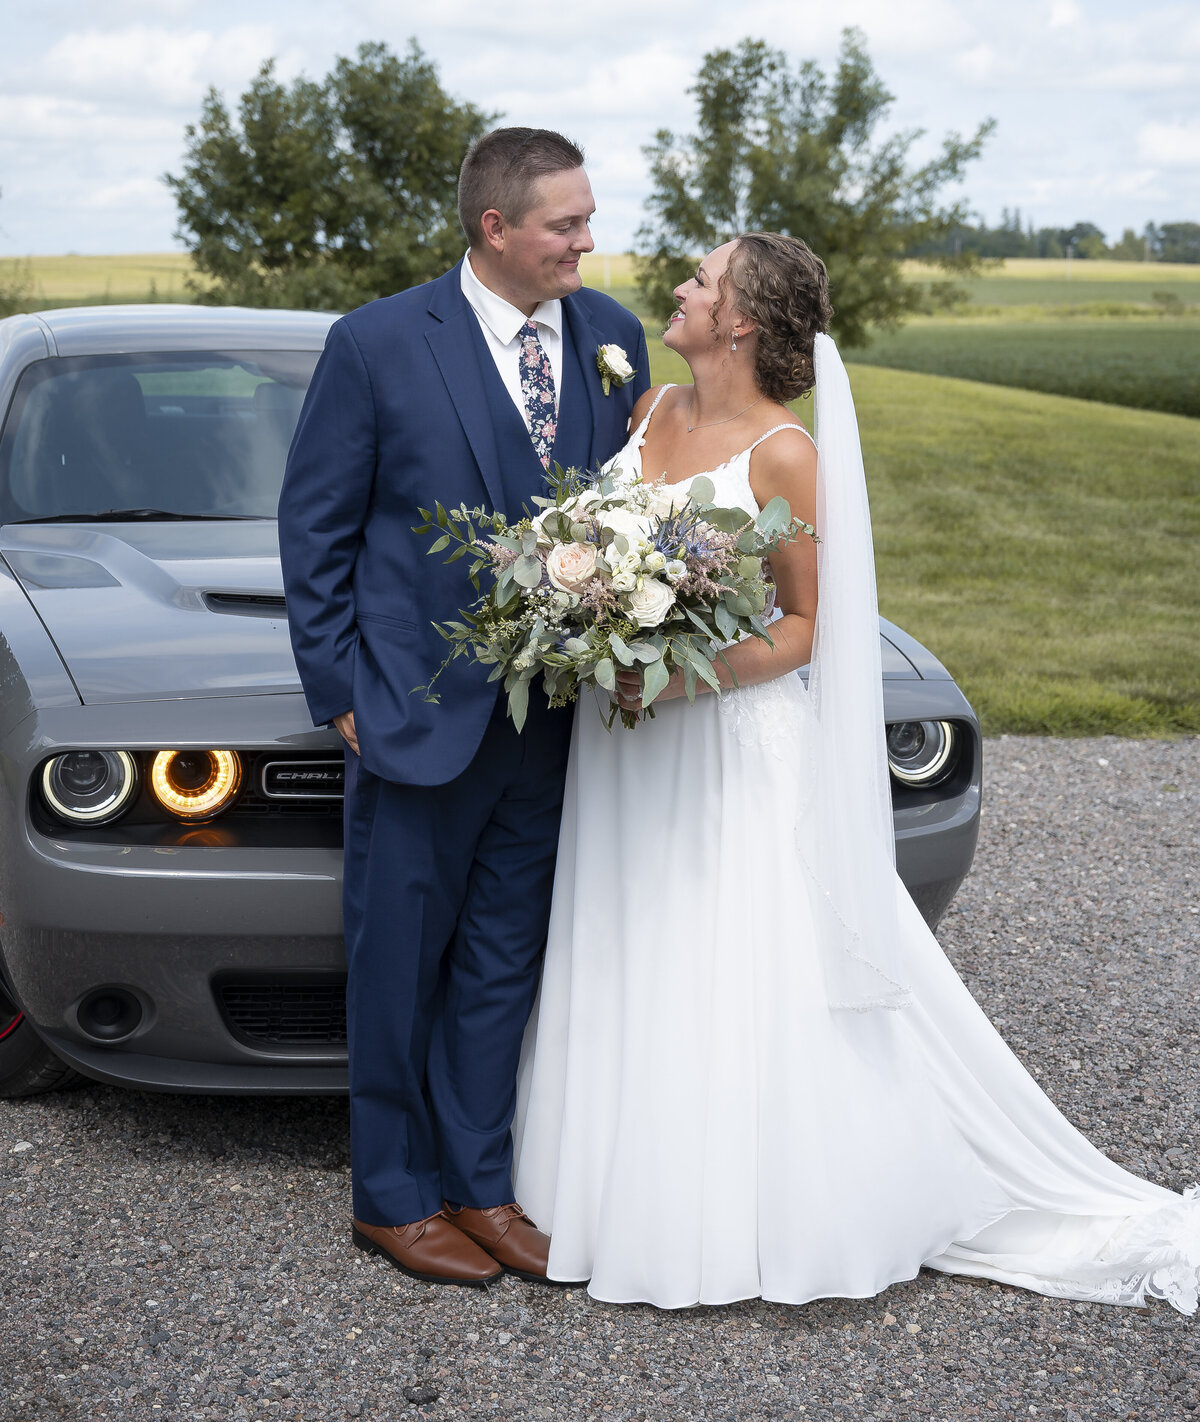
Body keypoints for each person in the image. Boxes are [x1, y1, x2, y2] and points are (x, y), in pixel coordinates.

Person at [513, 231, 1200, 1314]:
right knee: (626, 927)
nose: (679, 288)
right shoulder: (650, 409)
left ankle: (732, 1212)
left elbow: (807, 627)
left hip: (718, 742)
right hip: (624, 744)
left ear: (741, 320)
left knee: (724, 946)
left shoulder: (787, 454)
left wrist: (678, 678)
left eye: (701, 279)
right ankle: (606, 1184)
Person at [278, 128, 650, 1288]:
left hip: (557, 721)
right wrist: (341, 692)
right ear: (495, 226)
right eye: (565, 224)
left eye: (588, 220)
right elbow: (316, 527)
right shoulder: (378, 342)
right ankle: (391, 1198)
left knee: (502, 961)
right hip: (414, 716)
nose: (586, 242)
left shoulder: (612, 337)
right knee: (399, 964)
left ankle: (481, 1183)